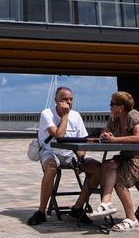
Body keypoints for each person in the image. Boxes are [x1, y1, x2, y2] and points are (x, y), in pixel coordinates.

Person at [27, 86, 100, 226]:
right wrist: (65, 115)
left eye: (71, 99)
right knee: (51, 169)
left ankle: (78, 208)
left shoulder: (76, 115)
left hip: (70, 154)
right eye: (64, 99)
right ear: (56, 100)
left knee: (97, 168)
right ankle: (41, 211)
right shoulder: (47, 114)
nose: (68, 102)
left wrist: (81, 159)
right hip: (50, 152)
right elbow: (59, 135)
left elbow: (83, 141)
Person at [91, 91, 139, 231]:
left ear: (121, 107)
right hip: (129, 155)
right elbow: (104, 133)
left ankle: (132, 219)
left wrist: (114, 140)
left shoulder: (133, 115)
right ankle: (106, 203)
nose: (109, 106)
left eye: (112, 104)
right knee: (107, 165)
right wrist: (105, 135)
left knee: (120, 181)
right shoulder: (114, 118)